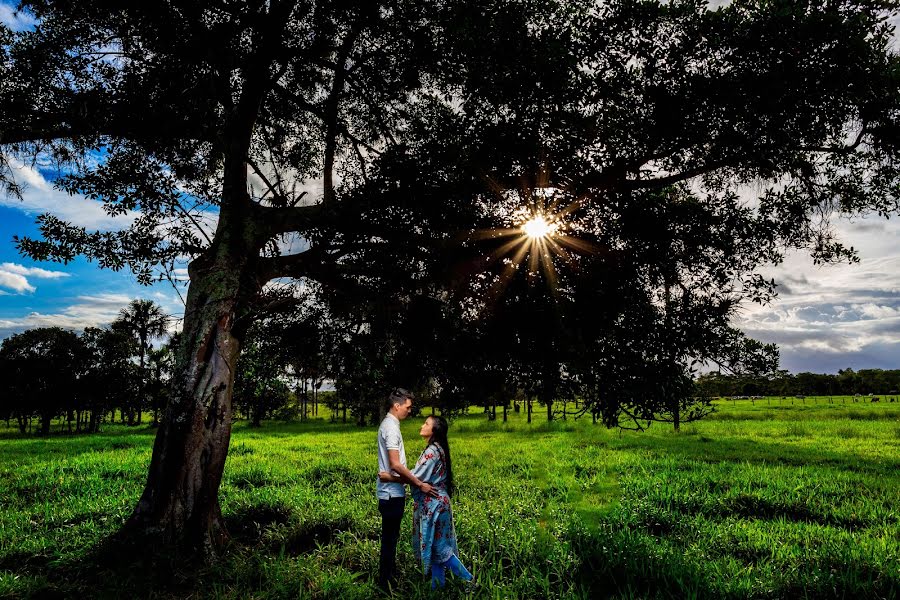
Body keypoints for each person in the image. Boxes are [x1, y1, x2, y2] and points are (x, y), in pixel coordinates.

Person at [380, 415, 473, 589]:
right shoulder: (436, 449)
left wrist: (389, 477)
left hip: (434, 504)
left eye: (426, 424)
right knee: (437, 546)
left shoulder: (432, 451)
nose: (422, 425)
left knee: (439, 547)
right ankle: (437, 587)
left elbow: (415, 477)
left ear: (434, 430)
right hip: (438, 502)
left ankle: (469, 580)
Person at [376, 388, 437, 593]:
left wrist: (392, 477)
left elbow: (391, 467)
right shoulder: (391, 428)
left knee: (391, 539)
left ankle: (389, 579)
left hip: (391, 491)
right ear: (397, 405)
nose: (410, 411)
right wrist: (419, 484)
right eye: (408, 407)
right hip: (391, 494)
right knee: (389, 541)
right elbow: (395, 464)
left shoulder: (390, 425)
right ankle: (385, 585)